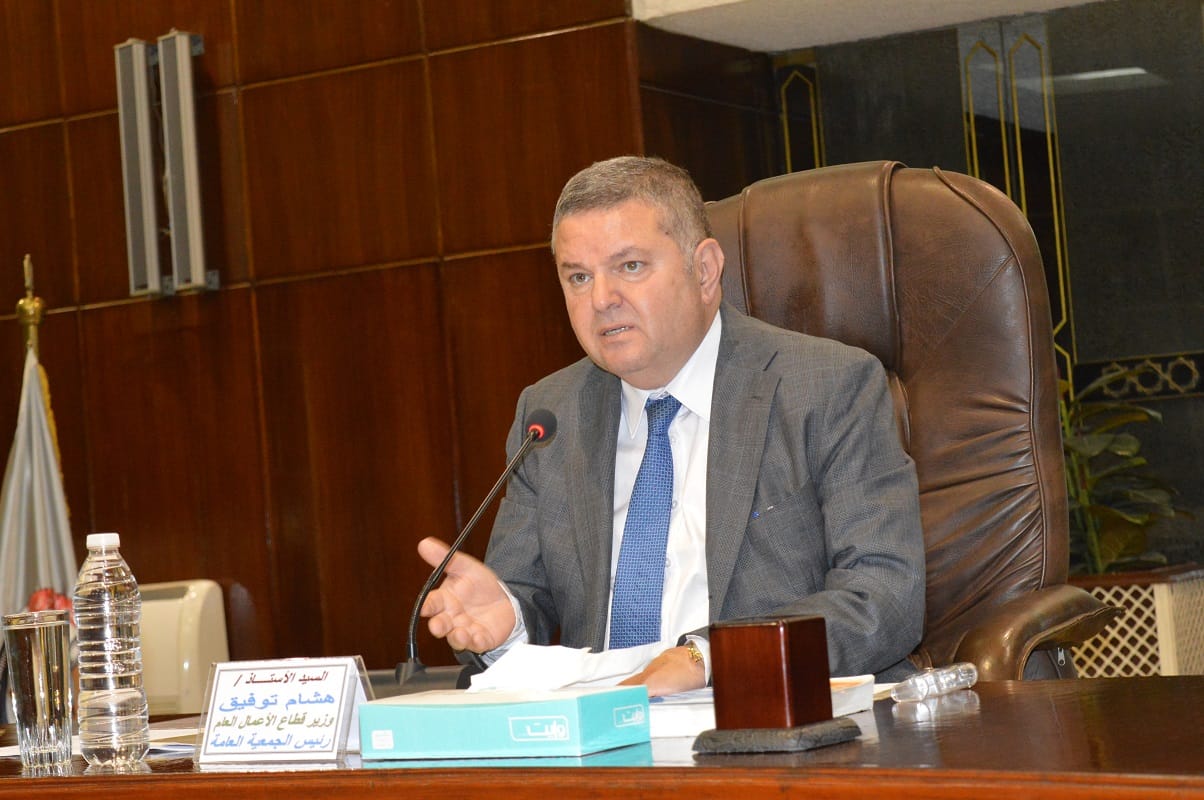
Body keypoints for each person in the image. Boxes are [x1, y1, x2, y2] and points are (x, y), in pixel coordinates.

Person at [419, 156, 924, 697]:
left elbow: (883, 594)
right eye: (579, 277)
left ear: (704, 270)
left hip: (764, 714)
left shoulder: (825, 387)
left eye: (630, 266)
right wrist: (506, 625)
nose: (601, 299)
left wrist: (710, 658)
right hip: (607, 729)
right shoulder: (550, 414)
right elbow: (523, 595)